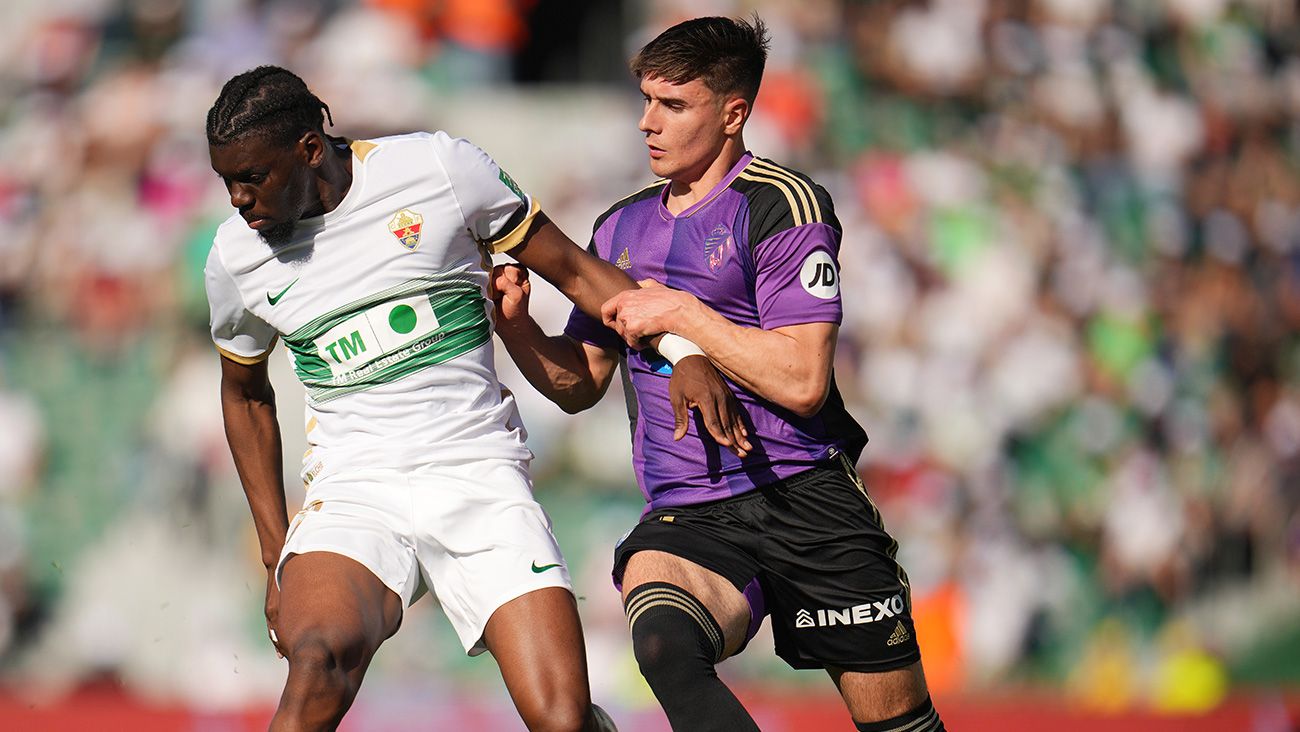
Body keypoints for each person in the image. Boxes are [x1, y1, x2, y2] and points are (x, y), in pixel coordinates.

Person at [203, 65, 747, 731]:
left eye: (250, 177)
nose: (236, 199)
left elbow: (576, 271)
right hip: (354, 492)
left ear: (310, 150)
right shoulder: (236, 257)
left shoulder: (437, 169)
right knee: (315, 666)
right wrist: (273, 551)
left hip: (477, 477)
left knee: (561, 719)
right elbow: (246, 394)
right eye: (226, 180)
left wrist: (683, 350)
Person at [491, 16, 946, 732]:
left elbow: (802, 382)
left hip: (805, 498)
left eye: (673, 105)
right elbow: (580, 384)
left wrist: (683, 314)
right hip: (690, 512)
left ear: (733, 113)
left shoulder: (781, 205)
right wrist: (516, 328)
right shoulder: (618, 228)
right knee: (664, 643)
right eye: (645, 100)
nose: (647, 122)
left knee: (902, 728)